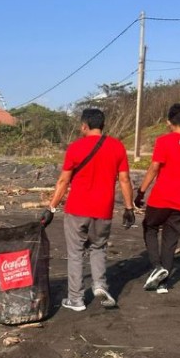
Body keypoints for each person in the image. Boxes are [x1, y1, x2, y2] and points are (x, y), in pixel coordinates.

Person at [42, 108, 135, 311]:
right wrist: (129, 207)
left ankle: (76, 298)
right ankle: (100, 284)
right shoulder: (117, 147)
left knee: (75, 253)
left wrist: (51, 207)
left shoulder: (75, 148)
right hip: (103, 209)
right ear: (102, 125)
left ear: (84, 125)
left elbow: (63, 180)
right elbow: (125, 179)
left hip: (77, 208)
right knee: (98, 248)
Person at [134, 104, 180, 294]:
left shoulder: (163, 141)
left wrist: (141, 192)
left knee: (150, 228)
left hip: (161, 197)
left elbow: (155, 167)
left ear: (168, 122)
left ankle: (157, 266)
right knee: (171, 240)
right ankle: (163, 283)